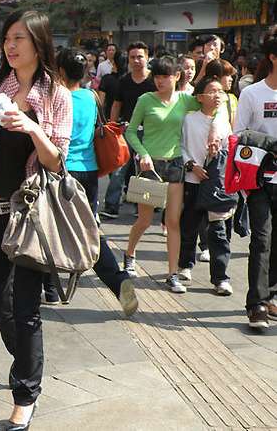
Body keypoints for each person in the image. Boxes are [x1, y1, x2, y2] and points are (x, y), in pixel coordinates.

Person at [0, 10, 72, 430]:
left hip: (29, 212)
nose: (10, 45)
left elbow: (56, 160)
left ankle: (25, 394)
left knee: (25, 308)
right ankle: (27, 361)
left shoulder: (56, 94)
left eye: (19, 37)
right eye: (7, 37)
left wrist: (32, 128)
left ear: (39, 43)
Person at [124, 56, 225, 293]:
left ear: (176, 76)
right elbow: (130, 131)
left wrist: (214, 128)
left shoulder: (185, 100)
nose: (160, 81)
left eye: (165, 76)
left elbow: (215, 108)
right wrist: (143, 154)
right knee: (145, 220)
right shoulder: (145, 100)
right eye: (157, 76)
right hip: (150, 167)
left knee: (172, 222)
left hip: (176, 166)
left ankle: (172, 274)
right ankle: (129, 255)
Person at [51, 48, 138, 313]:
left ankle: (50, 287)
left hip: (61, 170)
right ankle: (118, 281)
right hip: (88, 171)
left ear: (60, 71)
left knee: (51, 227)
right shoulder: (91, 97)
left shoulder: (56, 98)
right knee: (89, 229)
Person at [233, 27, 277, 328]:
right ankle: (257, 304)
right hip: (261, 179)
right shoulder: (252, 93)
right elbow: (238, 134)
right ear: (273, 57)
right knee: (261, 239)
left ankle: (271, 295)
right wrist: (271, 145)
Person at [178, 76, 233, 294]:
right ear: (200, 97)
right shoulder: (189, 119)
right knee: (189, 225)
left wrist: (218, 154)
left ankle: (221, 278)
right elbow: (181, 146)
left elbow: (229, 149)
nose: (217, 95)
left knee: (218, 231)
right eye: (212, 91)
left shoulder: (223, 120)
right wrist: (191, 165)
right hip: (193, 180)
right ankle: (185, 266)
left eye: (220, 91)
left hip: (215, 184)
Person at [100, 42, 156, 219]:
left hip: (150, 133)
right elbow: (117, 104)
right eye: (133, 57)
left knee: (145, 169)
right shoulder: (124, 81)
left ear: (147, 58)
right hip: (127, 130)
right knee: (118, 169)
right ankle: (111, 206)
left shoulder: (154, 80)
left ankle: (144, 206)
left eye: (140, 57)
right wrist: (112, 127)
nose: (136, 60)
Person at [205, 59, 238, 126]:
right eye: (227, 75)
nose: (231, 79)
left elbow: (234, 126)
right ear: (216, 77)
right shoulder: (202, 98)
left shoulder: (232, 99)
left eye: (231, 76)